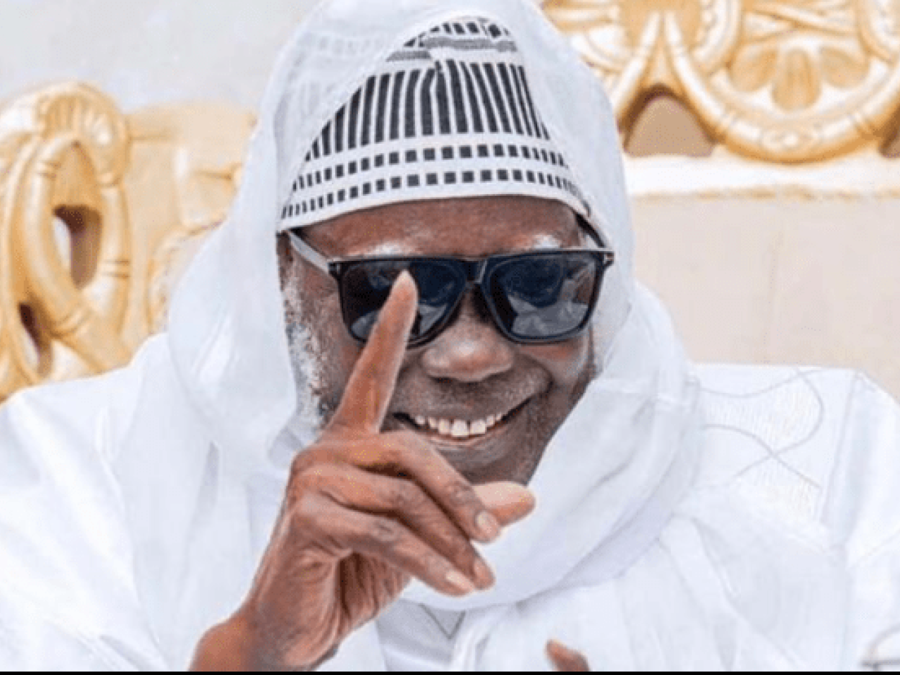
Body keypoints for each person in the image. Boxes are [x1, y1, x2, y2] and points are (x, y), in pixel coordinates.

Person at [1, 0, 899, 670]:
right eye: (397, 292)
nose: (472, 354)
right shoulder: (79, 481)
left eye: (538, 285)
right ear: (279, 280)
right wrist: (257, 649)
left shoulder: (828, 467)